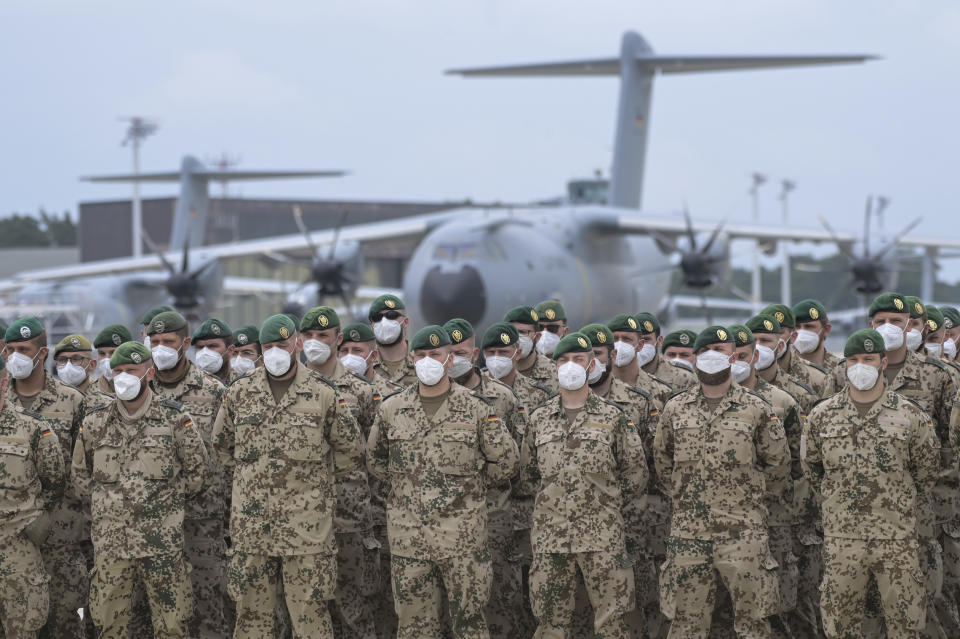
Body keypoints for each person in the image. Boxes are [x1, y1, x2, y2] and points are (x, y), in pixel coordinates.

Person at [213, 314, 364, 638]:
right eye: (269, 347)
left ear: (296, 344)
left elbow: (350, 450)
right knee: (252, 619)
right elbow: (221, 447)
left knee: (311, 619)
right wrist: (251, 480)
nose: (276, 353)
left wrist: (316, 484)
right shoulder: (239, 393)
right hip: (253, 530)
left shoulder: (323, 393)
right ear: (261, 350)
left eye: (283, 345)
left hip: (306, 530)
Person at [367, 325, 519, 638]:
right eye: (421, 355)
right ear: (411, 359)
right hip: (410, 541)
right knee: (414, 628)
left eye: (435, 354)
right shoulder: (391, 410)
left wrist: (468, 489)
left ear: (449, 359)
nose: (428, 361)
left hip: (462, 541)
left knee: (469, 624)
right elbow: (377, 463)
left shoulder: (477, 409)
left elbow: (504, 463)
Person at [831, 292, 960, 635]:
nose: (888, 327)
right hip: (855, 520)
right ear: (870, 325)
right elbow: (819, 452)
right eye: (881, 321)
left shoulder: (938, 376)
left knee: (922, 606)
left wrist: (920, 491)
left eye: (896, 321)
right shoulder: (842, 375)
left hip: (921, 514)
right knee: (862, 612)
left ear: (910, 326)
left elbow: (951, 445)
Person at [654, 325, 791, 638]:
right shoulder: (675, 409)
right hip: (689, 535)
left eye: (721, 351)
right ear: (696, 357)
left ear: (734, 358)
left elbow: (778, 466)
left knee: (753, 624)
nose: (713, 358)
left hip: (743, 533)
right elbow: (663, 462)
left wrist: (748, 502)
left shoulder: (757, 408)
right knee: (686, 624)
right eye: (706, 352)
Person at [802, 329, 939, 637]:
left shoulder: (909, 414)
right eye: (853, 359)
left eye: (868, 359)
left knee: (905, 625)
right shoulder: (822, 416)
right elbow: (813, 470)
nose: (860, 366)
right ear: (845, 364)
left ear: (883, 361)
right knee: (841, 626)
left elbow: (926, 471)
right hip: (843, 540)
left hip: (896, 539)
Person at [72, 341, 207, 638]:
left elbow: (197, 473)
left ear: (148, 373)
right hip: (111, 545)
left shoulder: (174, 418)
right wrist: (109, 503)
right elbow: (81, 476)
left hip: (162, 543)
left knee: (172, 624)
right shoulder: (95, 421)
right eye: (118, 370)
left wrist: (165, 501)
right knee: (109, 624)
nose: (123, 376)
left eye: (131, 370)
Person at [520, 331, 647, 638]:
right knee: (551, 625)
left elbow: (635, 474)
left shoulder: (615, 417)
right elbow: (529, 475)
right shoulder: (539, 419)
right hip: (551, 540)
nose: (570, 366)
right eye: (563, 360)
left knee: (612, 625)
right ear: (554, 367)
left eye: (578, 359)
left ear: (592, 366)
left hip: (603, 538)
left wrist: (604, 504)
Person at [3, 317, 88, 639]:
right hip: (10, 535)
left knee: (64, 619)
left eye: (23, 349)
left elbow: (80, 466)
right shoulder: (2, 398)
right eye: (10, 350)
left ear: (42, 353)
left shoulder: (72, 401)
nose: (15, 357)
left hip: (60, 533)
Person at [146, 311, 229, 639]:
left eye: (168, 341)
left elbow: (227, 452)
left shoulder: (213, 391)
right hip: (149, 521)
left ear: (186, 344)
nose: (160, 348)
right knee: (158, 607)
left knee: (207, 603)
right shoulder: (140, 389)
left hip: (202, 520)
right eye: (154, 342)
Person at [300, 306, 380, 639]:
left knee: (354, 610)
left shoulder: (361, 391)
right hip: (301, 518)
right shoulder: (289, 388)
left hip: (349, 517)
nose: (315, 343)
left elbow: (376, 454)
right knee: (306, 610)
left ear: (339, 338)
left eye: (323, 336)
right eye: (309, 336)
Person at [581, 322, 665, 639]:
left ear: (609, 357)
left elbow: (655, 465)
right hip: (579, 529)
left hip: (632, 523)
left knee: (640, 606)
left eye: (597, 354)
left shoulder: (640, 402)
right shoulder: (560, 406)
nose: (589, 363)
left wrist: (615, 502)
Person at [445, 317, 527, 639]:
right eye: (449, 352)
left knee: (500, 603)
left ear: (474, 352)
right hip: (445, 523)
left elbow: (520, 460)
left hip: (493, 519)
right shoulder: (430, 396)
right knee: (454, 609)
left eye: (462, 351)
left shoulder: (502, 397)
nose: (455, 358)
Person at [729, 324, 808, 636]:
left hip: (771, 521)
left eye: (742, 355)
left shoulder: (783, 402)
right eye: (728, 355)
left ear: (753, 356)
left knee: (777, 607)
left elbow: (797, 467)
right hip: (716, 526)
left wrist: (764, 498)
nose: (735, 361)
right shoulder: (689, 403)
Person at [0, 361, 66, 638]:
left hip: (19, 551)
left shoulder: (32, 428)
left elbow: (54, 482)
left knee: (23, 630)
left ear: (4, 383)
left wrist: (26, 518)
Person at [762, 304, 832, 398]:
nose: (772, 338)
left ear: (793, 337)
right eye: (765, 333)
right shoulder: (745, 375)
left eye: (780, 332)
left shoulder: (818, 379)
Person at [608, 313, 673, 407]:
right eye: (615, 339)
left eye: (627, 339)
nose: (620, 345)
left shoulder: (663, 391)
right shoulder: (595, 386)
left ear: (640, 345)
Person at [504, 306, 560, 395]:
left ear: (537, 337)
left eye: (523, 332)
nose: (517, 338)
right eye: (512, 332)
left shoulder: (556, 374)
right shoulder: (494, 374)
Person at [635, 312, 697, 390]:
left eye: (646, 339)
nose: (641, 344)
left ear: (659, 341)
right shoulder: (618, 374)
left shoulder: (684, 378)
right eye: (637, 339)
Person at [368, 294, 418, 388]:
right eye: (377, 317)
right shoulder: (365, 364)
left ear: (406, 322)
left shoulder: (422, 360)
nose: (384, 322)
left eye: (391, 315)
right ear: (371, 325)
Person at [791, 299, 841, 371]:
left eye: (809, 327)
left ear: (826, 329)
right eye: (797, 327)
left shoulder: (841, 370)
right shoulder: (780, 369)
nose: (801, 333)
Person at [92, 324, 133, 398]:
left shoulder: (142, 385)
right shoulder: (91, 391)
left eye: (113, 353)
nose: (107, 359)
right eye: (102, 353)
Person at [192, 318, 234, 386]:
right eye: (200, 347)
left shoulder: (242, 383)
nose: (205, 352)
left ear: (230, 350)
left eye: (212, 346)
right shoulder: (187, 382)